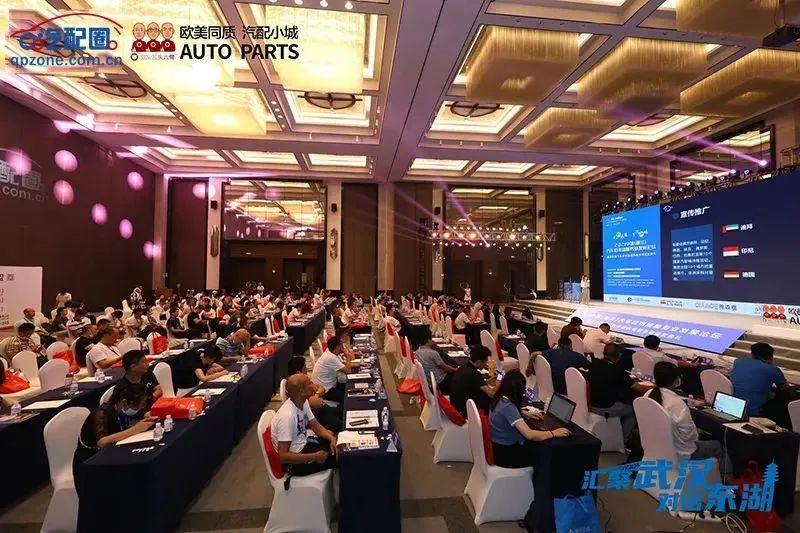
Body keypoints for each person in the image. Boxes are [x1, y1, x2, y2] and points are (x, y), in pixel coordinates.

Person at [489, 369, 570, 469]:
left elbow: (505, 415)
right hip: (506, 454)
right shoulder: (508, 407)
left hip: (497, 448)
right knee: (543, 451)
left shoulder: (499, 398)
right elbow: (530, 435)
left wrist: (523, 413)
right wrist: (553, 433)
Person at [73, 383, 155, 478]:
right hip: (90, 463)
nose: (140, 408)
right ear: (124, 402)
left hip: (112, 453)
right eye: (138, 406)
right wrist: (135, 429)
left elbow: (139, 414)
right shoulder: (101, 414)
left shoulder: (123, 409)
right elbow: (102, 442)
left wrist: (147, 415)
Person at [645, 362, 722, 462]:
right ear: (676, 380)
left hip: (654, 447)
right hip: (682, 453)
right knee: (718, 445)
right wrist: (698, 432)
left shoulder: (648, 394)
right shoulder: (678, 404)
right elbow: (692, 437)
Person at [271, 373, 338, 477]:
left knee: (339, 444)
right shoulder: (286, 417)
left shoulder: (302, 401)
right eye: (309, 383)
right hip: (297, 463)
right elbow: (283, 457)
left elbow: (316, 426)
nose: (313, 385)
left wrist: (331, 438)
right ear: (301, 391)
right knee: (343, 457)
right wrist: (315, 456)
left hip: (306, 444)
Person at [587, 344, 651, 444]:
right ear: (619, 355)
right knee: (633, 410)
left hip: (591, 402)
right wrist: (651, 388)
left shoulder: (594, 363)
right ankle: (624, 440)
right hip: (606, 406)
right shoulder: (617, 370)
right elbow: (639, 388)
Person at [731, 342, 788, 417]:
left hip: (732, 406)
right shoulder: (772, 369)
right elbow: (784, 388)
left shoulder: (738, 361)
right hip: (752, 412)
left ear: (752, 354)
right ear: (771, 357)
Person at [287, 356, 342, 432]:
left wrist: (317, 394)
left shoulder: (305, 380)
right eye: (304, 367)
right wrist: (317, 395)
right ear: (298, 372)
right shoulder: (293, 387)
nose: (307, 369)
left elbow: (321, 388)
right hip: (315, 415)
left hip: (321, 408)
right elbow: (314, 402)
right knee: (340, 423)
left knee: (342, 412)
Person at [450, 344, 498, 416]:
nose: (486, 365)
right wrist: (499, 380)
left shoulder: (463, 366)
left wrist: (487, 381)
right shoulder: (474, 374)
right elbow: (492, 394)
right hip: (465, 410)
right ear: (479, 362)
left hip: (456, 403)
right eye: (485, 362)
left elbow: (474, 384)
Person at [310, 336, 359, 404]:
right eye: (341, 346)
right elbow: (348, 371)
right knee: (348, 397)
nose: (343, 348)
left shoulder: (330, 352)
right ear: (337, 347)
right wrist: (347, 356)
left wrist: (359, 364)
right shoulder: (330, 357)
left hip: (331, 384)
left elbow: (343, 365)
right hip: (325, 389)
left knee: (353, 387)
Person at [415, 328, 458, 394]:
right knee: (460, 375)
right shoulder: (433, 353)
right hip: (439, 383)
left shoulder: (417, 352)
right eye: (431, 340)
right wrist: (456, 369)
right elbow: (445, 368)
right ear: (428, 340)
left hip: (428, 382)